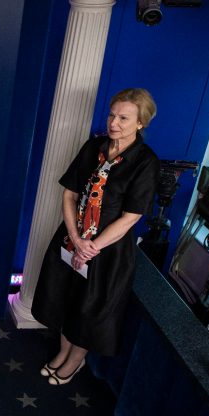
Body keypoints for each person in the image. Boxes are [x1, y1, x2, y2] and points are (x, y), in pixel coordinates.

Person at [32, 88, 160, 385]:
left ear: (140, 123)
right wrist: (76, 239)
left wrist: (91, 247)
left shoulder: (145, 162)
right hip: (72, 239)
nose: (114, 122)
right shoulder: (94, 148)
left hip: (107, 252)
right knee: (66, 299)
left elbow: (132, 216)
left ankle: (75, 361)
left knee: (89, 309)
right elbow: (69, 194)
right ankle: (63, 352)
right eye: (112, 115)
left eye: (123, 118)